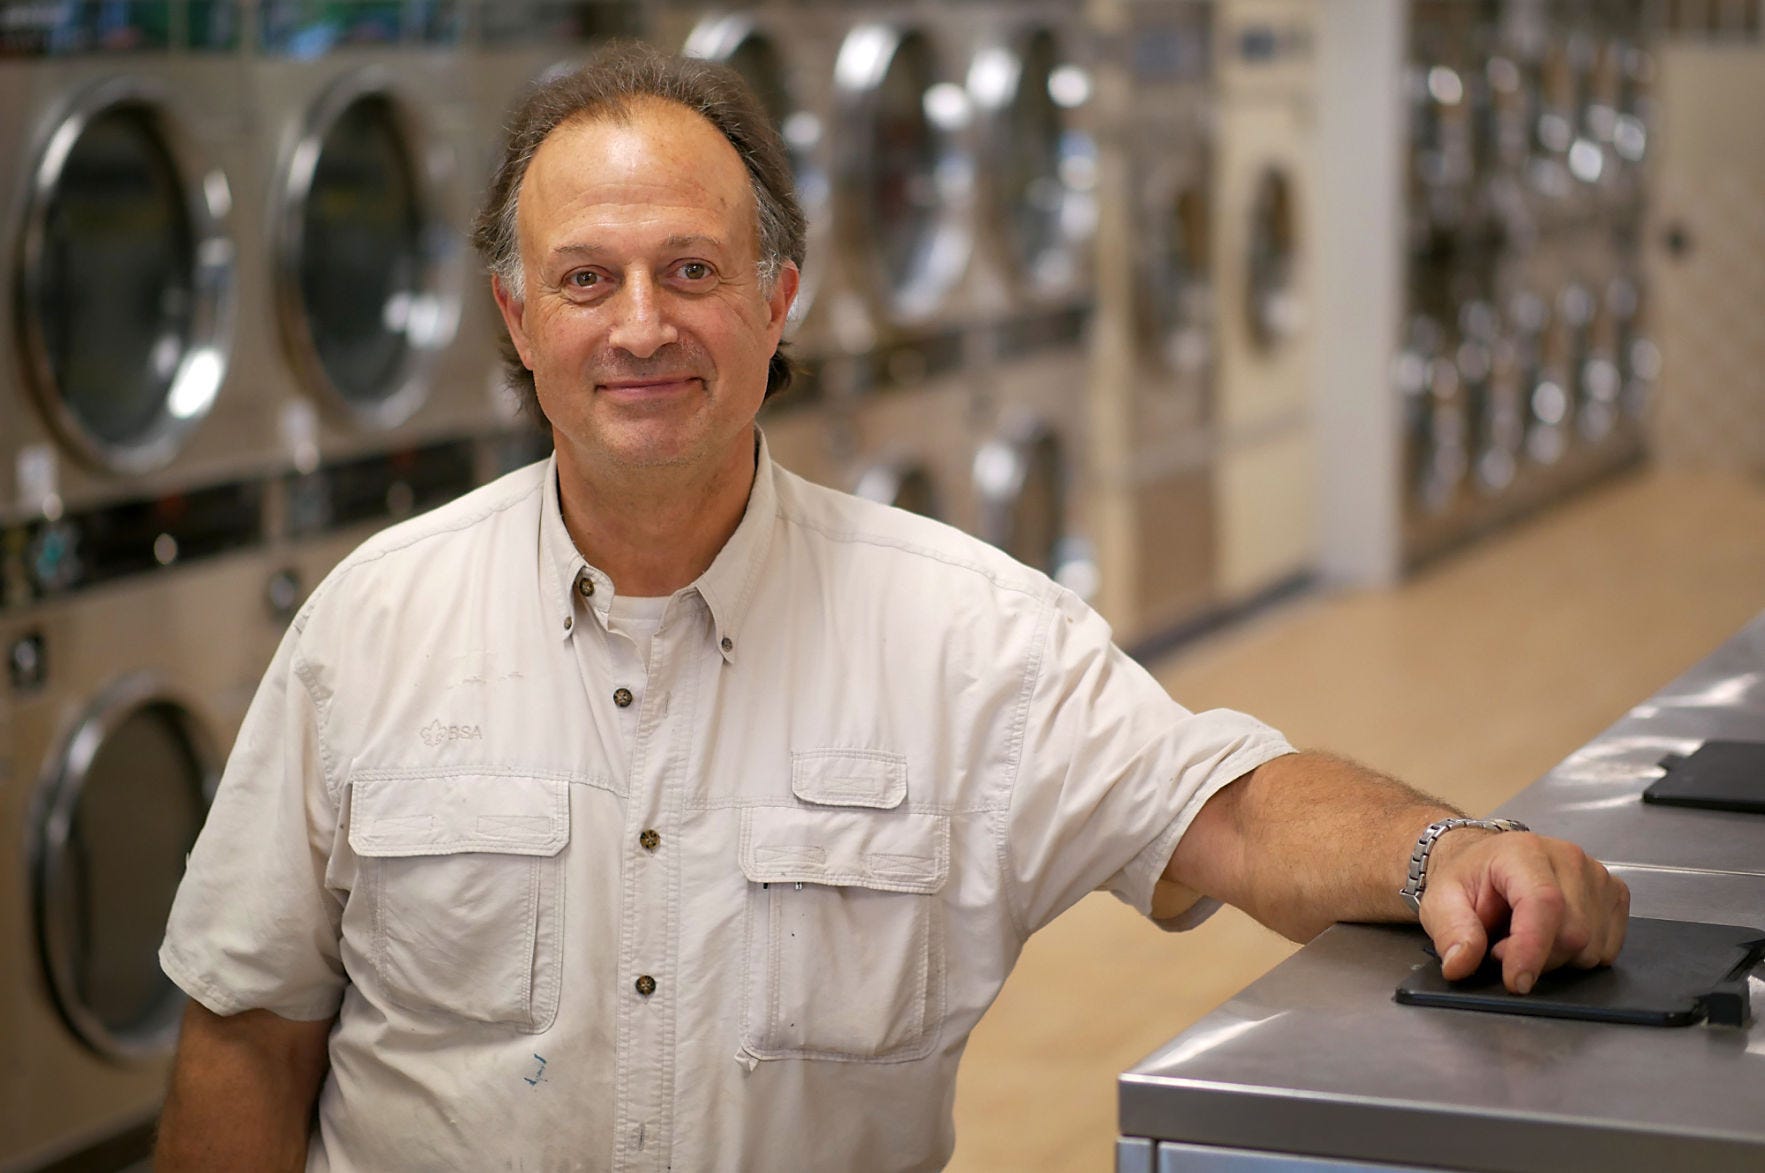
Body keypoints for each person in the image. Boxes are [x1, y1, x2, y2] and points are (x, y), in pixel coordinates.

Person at [155, 42, 1628, 1173]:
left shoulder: (962, 633)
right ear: (516, 317)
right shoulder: (371, 627)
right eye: (586, 279)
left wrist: (1450, 848)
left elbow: (1232, 807)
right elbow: (247, 1032)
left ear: (778, 298)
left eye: (692, 270)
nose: (643, 325)